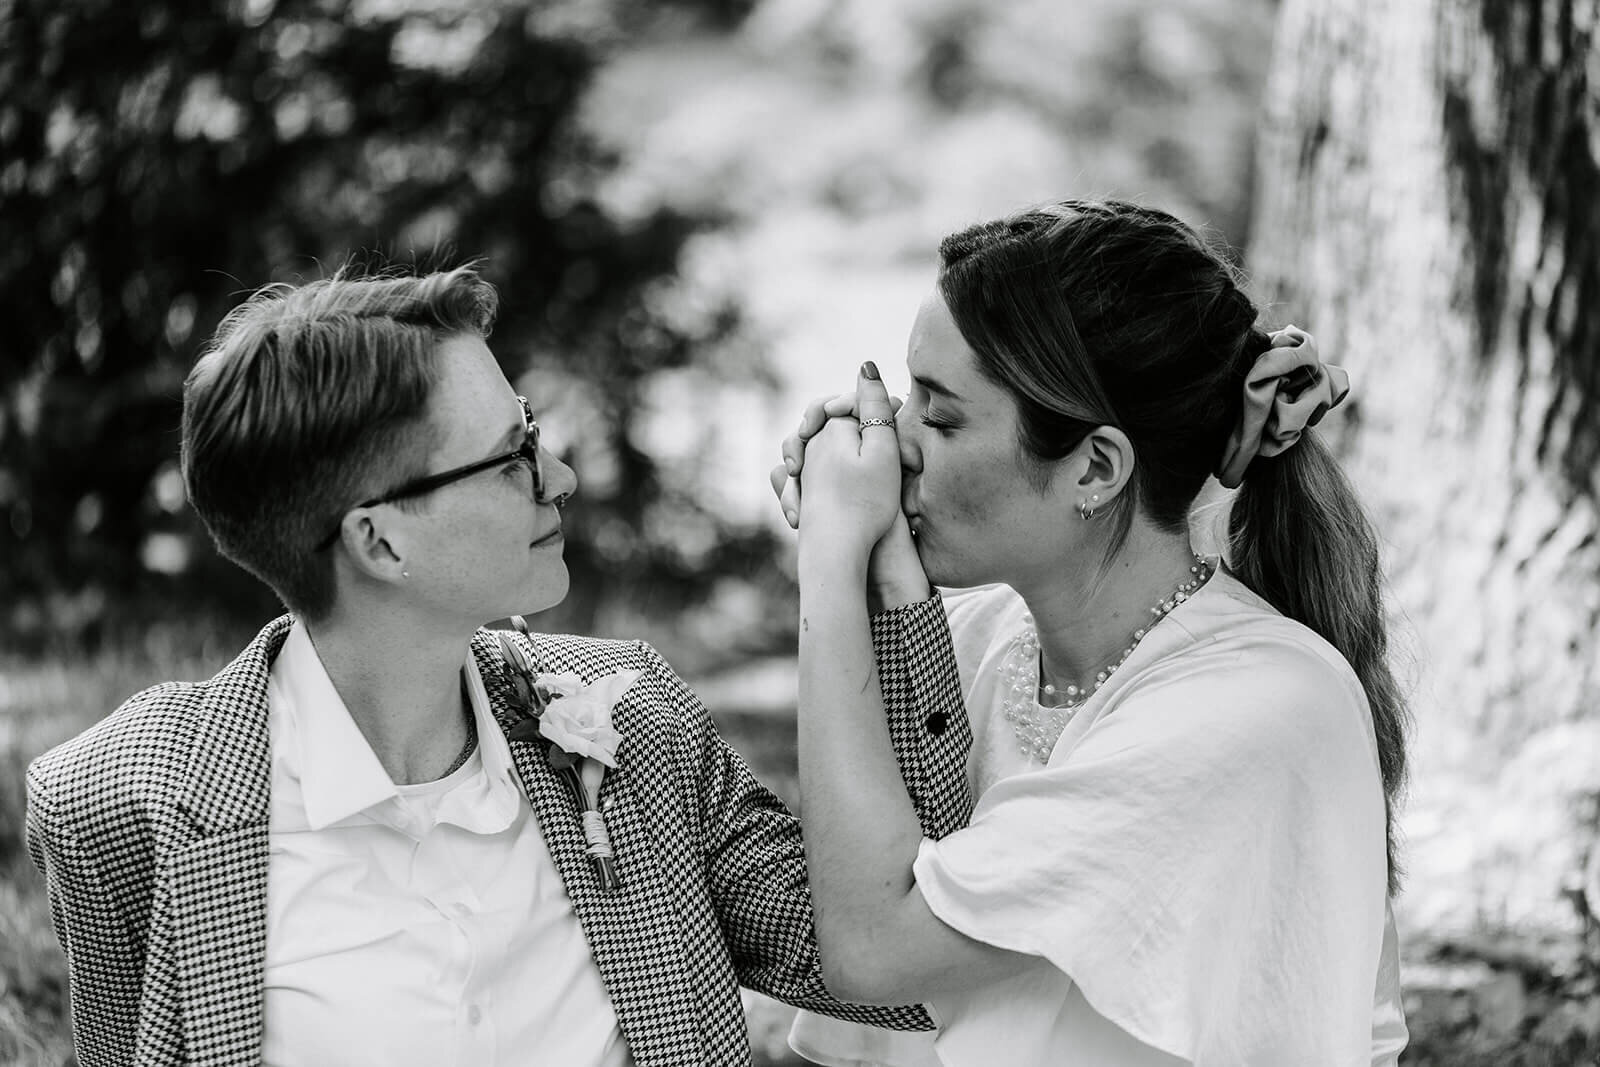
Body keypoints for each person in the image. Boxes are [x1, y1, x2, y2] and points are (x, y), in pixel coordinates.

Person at [23, 264, 976, 1067]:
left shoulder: (634, 723)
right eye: (512, 454)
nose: (557, 475)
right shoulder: (116, 803)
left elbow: (907, 962)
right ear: (380, 542)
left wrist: (872, 572)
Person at [771, 200, 1410, 1065]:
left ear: (1096, 468)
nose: (889, 440)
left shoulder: (1253, 709)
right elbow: (881, 1010)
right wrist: (883, 585)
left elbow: (875, 947)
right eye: (904, 396)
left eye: (943, 416)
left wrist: (829, 570)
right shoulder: (976, 642)